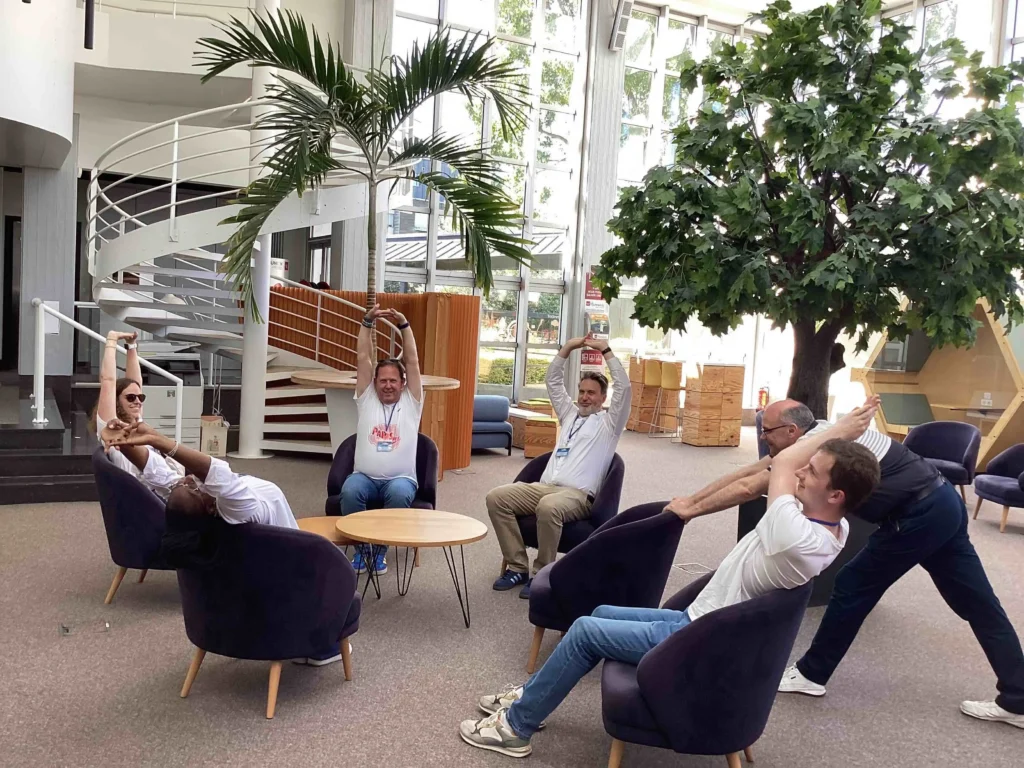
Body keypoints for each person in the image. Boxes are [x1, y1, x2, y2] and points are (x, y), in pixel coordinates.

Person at [458, 404, 882, 758]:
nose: (801, 472)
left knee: (586, 630)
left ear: (836, 496)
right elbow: (759, 474)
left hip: (698, 637)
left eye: (814, 472)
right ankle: (532, 693)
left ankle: (516, 727)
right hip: (699, 619)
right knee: (601, 612)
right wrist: (692, 503)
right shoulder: (833, 527)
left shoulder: (795, 535)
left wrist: (840, 430)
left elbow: (785, 463)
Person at [668, 398, 1024, 730]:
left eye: (768, 430)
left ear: (792, 431)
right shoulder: (819, 439)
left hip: (919, 513)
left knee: (854, 584)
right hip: (941, 502)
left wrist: (690, 512)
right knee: (978, 603)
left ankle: (811, 674)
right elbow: (752, 472)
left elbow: (752, 486)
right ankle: (1018, 696)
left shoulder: (824, 450)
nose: (762, 437)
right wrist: (690, 501)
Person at [105, 420, 342, 666]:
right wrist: (161, 441)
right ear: (209, 507)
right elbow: (218, 473)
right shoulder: (240, 509)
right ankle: (321, 645)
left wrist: (122, 441)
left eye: (183, 484)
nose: (187, 481)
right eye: (192, 488)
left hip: (261, 581)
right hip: (289, 581)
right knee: (335, 571)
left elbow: (155, 471)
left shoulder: (191, 511)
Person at [486, 336, 631, 599]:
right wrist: (568, 347)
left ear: (602, 397)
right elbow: (552, 380)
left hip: (577, 495)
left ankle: (543, 573)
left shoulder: (610, 424)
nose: (585, 397)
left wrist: (605, 350)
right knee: (497, 498)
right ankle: (517, 567)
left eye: (591, 393)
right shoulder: (569, 414)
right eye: (582, 391)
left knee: (548, 507)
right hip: (544, 487)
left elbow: (625, 387)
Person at [342, 304, 424, 576]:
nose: (388, 385)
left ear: (402, 383)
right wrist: (367, 323)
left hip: (401, 479)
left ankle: (379, 552)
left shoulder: (412, 402)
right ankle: (361, 550)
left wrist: (404, 327)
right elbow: (363, 358)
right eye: (383, 381)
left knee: (399, 493)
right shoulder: (367, 399)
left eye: (393, 381)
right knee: (350, 491)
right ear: (375, 382)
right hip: (364, 477)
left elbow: (412, 361)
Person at [92, 330, 182, 498]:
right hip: (151, 497)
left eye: (140, 397)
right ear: (116, 401)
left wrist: (132, 346)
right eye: (130, 398)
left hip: (163, 488)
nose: (138, 401)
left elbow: (136, 382)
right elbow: (108, 382)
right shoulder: (112, 429)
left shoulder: (136, 423)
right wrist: (111, 340)